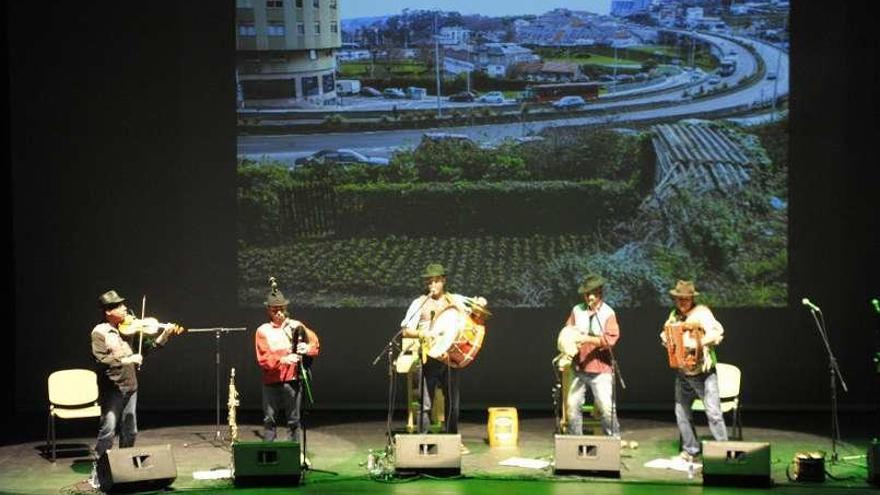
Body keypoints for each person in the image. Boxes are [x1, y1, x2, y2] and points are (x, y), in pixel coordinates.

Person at [90, 290, 182, 485]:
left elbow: (148, 348)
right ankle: (98, 472)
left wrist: (165, 334)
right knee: (108, 430)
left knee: (130, 431)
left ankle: (123, 470)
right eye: (119, 306)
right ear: (108, 311)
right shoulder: (100, 332)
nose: (125, 309)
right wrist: (127, 359)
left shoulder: (129, 330)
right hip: (112, 388)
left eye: (124, 305)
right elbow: (101, 359)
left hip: (131, 386)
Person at [400, 263, 486, 451]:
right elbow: (406, 330)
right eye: (429, 282)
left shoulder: (454, 300)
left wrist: (480, 304)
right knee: (425, 404)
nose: (433, 285)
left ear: (443, 281)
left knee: (453, 404)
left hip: (450, 359)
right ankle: (422, 442)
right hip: (428, 358)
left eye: (436, 281)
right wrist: (423, 335)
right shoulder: (419, 303)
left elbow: (475, 315)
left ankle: (452, 439)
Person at [660, 280, 727, 462]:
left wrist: (695, 344)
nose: (682, 302)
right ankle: (691, 450)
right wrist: (667, 339)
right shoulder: (674, 315)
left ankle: (723, 451)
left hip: (704, 373)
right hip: (683, 373)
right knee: (681, 411)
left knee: (713, 412)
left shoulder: (702, 313)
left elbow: (717, 333)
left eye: (686, 299)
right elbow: (666, 333)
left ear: (691, 298)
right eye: (679, 299)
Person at [255, 284, 320, 449]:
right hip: (271, 381)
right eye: (274, 310)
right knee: (270, 419)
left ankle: (294, 453)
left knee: (294, 419)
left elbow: (313, 342)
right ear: (268, 310)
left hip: (292, 380)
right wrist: (283, 359)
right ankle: (268, 451)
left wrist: (308, 348)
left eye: (281, 309)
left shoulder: (296, 326)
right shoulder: (263, 331)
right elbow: (264, 359)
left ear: (285, 308)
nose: (278, 313)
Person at [558, 274, 621, 438]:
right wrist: (569, 348)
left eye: (593, 293)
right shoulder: (577, 310)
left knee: (606, 407)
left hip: (600, 369)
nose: (590, 297)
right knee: (572, 406)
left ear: (600, 293)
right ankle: (575, 441)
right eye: (587, 294)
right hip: (579, 368)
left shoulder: (608, 313)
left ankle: (613, 440)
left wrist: (587, 339)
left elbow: (610, 339)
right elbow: (568, 332)